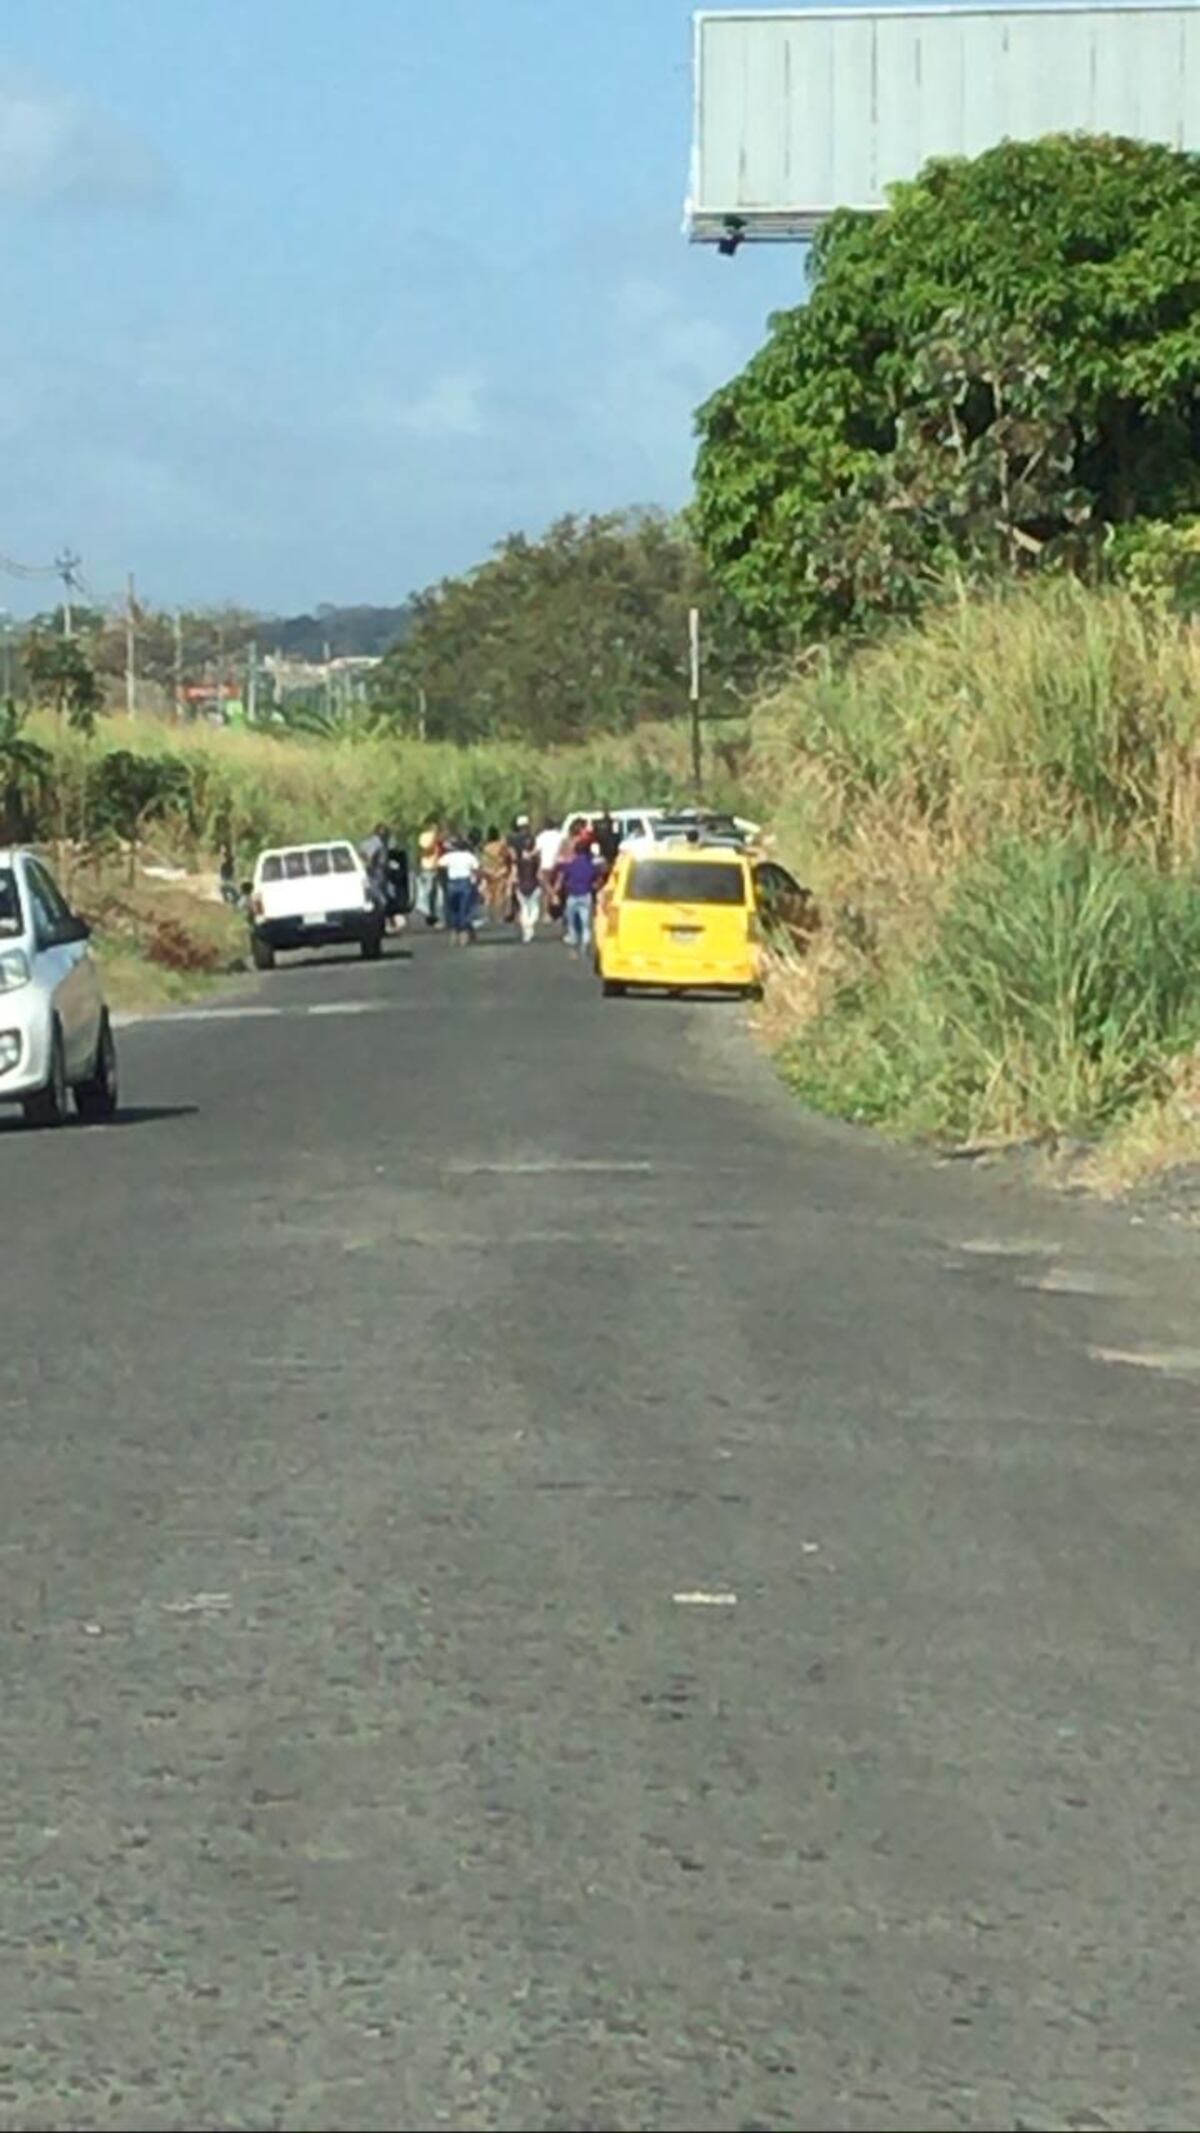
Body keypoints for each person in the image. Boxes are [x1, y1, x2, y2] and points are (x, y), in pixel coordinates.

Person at [560, 834, 601, 956]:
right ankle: (585, 941)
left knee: (571, 921)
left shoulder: (571, 864)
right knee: (585, 921)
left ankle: (573, 939)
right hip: (586, 894)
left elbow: (563, 876)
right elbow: (596, 880)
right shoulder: (590, 865)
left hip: (573, 895)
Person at [439, 830, 480, 946]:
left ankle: (455, 931)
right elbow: (476, 869)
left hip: (452, 883)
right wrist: (476, 882)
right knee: (465, 908)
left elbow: (439, 866)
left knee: (453, 909)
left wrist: (443, 880)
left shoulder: (448, 857)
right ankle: (463, 933)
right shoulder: (469, 856)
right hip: (465, 883)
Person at [509, 816, 542, 944]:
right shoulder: (532, 838)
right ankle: (529, 926)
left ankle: (527, 929)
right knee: (532, 906)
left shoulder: (513, 839)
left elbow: (512, 856)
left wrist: (513, 877)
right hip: (531, 878)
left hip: (521, 875)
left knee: (524, 906)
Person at [480, 824, 512, 924]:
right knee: (500, 894)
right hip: (500, 872)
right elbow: (507, 857)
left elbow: (484, 861)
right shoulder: (501, 845)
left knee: (490, 895)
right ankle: (499, 917)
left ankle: (490, 916)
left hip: (489, 872)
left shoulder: (486, 847)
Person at [535, 817, 563, 927]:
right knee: (559, 889)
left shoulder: (541, 837)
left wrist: (538, 866)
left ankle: (546, 914)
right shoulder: (560, 836)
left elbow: (538, 852)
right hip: (557, 864)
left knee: (545, 891)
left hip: (545, 865)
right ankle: (559, 914)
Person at [415, 821, 441, 927]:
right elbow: (424, 851)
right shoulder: (425, 837)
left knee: (434, 894)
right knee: (429, 893)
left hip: (435, 867)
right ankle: (430, 916)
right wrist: (434, 842)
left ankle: (432, 916)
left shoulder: (438, 838)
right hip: (427, 867)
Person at [360, 822, 390, 914]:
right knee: (377, 892)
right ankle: (382, 910)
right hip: (377, 870)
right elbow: (368, 855)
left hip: (379, 870)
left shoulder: (382, 843)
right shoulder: (376, 842)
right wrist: (369, 865)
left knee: (379, 891)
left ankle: (382, 911)